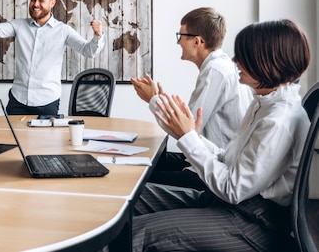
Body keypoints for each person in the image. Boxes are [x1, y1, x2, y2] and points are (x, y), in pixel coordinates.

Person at [131, 19, 311, 252]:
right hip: (228, 201)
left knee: (134, 231)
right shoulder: (264, 103)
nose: (236, 61)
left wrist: (188, 135)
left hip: (252, 222)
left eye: (244, 55)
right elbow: (227, 157)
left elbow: (233, 189)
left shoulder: (279, 120)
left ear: (266, 61)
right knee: (130, 198)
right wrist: (192, 135)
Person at [131, 7, 251, 189]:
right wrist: (160, 99)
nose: (178, 41)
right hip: (214, 159)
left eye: (181, 35)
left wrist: (153, 100)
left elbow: (185, 131)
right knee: (147, 162)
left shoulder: (215, 71)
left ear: (197, 41)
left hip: (212, 170)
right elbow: (188, 124)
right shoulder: (222, 66)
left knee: (135, 181)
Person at [0, 0, 104, 117]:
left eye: (41, 0)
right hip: (18, 99)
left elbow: (88, 51)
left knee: (44, 139)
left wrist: (98, 36)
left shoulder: (63, 31)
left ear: (52, 3)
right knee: (12, 137)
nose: (35, 4)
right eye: (33, 0)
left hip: (47, 101)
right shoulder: (18, 25)